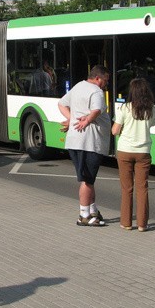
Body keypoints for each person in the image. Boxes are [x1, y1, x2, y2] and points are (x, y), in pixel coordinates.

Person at [58, 64, 111, 227]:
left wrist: (72, 119)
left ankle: (93, 211)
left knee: (89, 179)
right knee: (87, 180)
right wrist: (86, 120)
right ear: (97, 78)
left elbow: (61, 104)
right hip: (88, 142)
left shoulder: (78, 86)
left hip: (76, 141)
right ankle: (84, 215)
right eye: (105, 81)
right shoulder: (96, 91)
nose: (106, 84)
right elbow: (96, 110)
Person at [112, 78, 155, 232]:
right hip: (143, 152)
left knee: (127, 188)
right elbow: (151, 125)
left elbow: (115, 131)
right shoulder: (151, 109)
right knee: (142, 187)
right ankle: (142, 224)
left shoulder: (124, 108)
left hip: (124, 151)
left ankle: (126, 223)